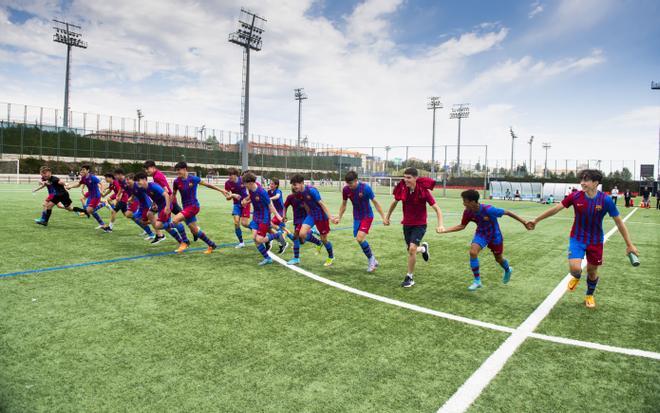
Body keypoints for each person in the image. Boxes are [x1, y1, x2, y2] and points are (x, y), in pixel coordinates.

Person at [527, 169, 639, 308]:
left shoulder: (606, 200)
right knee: (575, 269)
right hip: (577, 238)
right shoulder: (575, 196)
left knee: (592, 272)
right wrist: (536, 220)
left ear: (595, 183)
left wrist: (629, 244)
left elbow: (619, 222)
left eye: (586, 180)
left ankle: (589, 295)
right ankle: (577, 277)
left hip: (596, 241)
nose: (582, 183)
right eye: (582, 180)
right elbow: (556, 208)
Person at [439, 189, 528, 291]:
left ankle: (508, 270)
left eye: (465, 201)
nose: (463, 204)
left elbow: (507, 212)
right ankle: (477, 281)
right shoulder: (467, 212)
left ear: (472, 202)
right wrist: (445, 230)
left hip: (495, 236)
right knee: (473, 252)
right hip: (481, 234)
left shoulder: (489, 209)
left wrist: (524, 222)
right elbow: (462, 226)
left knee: (499, 259)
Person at [384, 167, 444, 287]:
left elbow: (437, 209)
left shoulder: (423, 191)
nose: (405, 180)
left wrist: (440, 225)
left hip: (420, 224)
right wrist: (387, 217)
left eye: (409, 178)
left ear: (415, 178)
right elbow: (394, 203)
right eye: (404, 177)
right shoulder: (402, 190)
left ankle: (409, 277)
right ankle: (423, 249)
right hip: (407, 224)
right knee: (411, 250)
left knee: (411, 249)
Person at [172, 161, 228, 254]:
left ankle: (185, 242)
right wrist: (169, 205)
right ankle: (211, 244)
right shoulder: (176, 181)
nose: (178, 172)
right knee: (194, 229)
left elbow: (208, 185)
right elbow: (174, 194)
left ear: (185, 169)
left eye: (179, 170)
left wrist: (221, 190)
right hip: (186, 207)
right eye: (176, 170)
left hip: (194, 206)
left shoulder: (193, 179)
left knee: (175, 220)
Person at [337, 171, 386, 272]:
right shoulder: (346, 190)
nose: (349, 186)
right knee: (358, 238)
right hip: (357, 216)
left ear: (356, 181)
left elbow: (375, 203)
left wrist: (383, 217)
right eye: (347, 184)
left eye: (350, 183)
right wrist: (339, 217)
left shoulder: (366, 188)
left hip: (367, 215)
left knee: (359, 238)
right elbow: (344, 204)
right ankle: (373, 259)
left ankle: (371, 260)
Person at [290, 174, 338, 267]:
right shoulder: (300, 193)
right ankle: (317, 242)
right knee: (302, 234)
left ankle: (331, 257)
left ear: (301, 183)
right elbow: (306, 204)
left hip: (321, 216)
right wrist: (308, 215)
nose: (294, 187)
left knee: (324, 239)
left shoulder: (312, 190)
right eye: (293, 185)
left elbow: (322, 204)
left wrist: (330, 217)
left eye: (295, 185)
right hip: (312, 215)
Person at [135, 172, 190, 252]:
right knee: (167, 227)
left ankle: (179, 226)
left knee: (158, 226)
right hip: (160, 207)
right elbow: (154, 196)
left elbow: (166, 195)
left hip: (165, 206)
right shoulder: (144, 188)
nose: (137, 183)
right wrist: (154, 203)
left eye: (138, 181)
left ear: (144, 180)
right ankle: (182, 242)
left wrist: (167, 207)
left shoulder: (153, 186)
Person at [243, 172, 285, 265]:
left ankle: (277, 235)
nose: (244, 185)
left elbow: (270, 205)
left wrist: (278, 216)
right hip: (256, 216)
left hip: (264, 217)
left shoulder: (262, 192)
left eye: (245, 183)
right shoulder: (251, 189)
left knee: (259, 240)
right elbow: (252, 197)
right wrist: (246, 201)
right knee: (254, 238)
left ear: (250, 183)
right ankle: (267, 258)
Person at [284, 190, 324, 265]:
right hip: (296, 220)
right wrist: (284, 215)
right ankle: (318, 241)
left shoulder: (304, 197)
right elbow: (285, 206)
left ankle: (296, 258)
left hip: (304, 220)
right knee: (302, 241)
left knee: (295, 236)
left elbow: (314, 205)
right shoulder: (290, 197)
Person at [65, 165, 110, 232]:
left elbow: (101, 184)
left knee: (89, 210)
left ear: (88, 170)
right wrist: (70, 186)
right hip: (91, 196)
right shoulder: (83, 178)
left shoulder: (93, 177)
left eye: (84, 169)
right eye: (81, 169)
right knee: (89, 210)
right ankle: (102, 224)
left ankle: (103, 205)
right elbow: (78, 185)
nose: (82, 171)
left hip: (96, 196)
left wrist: (102, 190)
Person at [224, 167, 251, 248]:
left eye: (231, 175)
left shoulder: (243, 180)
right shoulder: (227, 183)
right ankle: (241, 242)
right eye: (228, 175)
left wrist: (246, 200)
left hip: (245, 203)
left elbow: (251, 192)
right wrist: (233, 195)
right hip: (236, 204)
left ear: (235, 175)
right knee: (236, 222)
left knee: (245, 223)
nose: (229, 177)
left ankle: (258, 230)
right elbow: (227, 197)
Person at [267, 178, 289, 254]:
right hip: (276, 212)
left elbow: (277, 196)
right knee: (284, 230)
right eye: (270, 183)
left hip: (281, 212)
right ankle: (294, 241)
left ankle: (279, 240)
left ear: (276, 185)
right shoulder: (269, 191)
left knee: (272, 225)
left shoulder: (278, 191)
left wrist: (269, 198)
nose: (271, 185)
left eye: (272, 184)